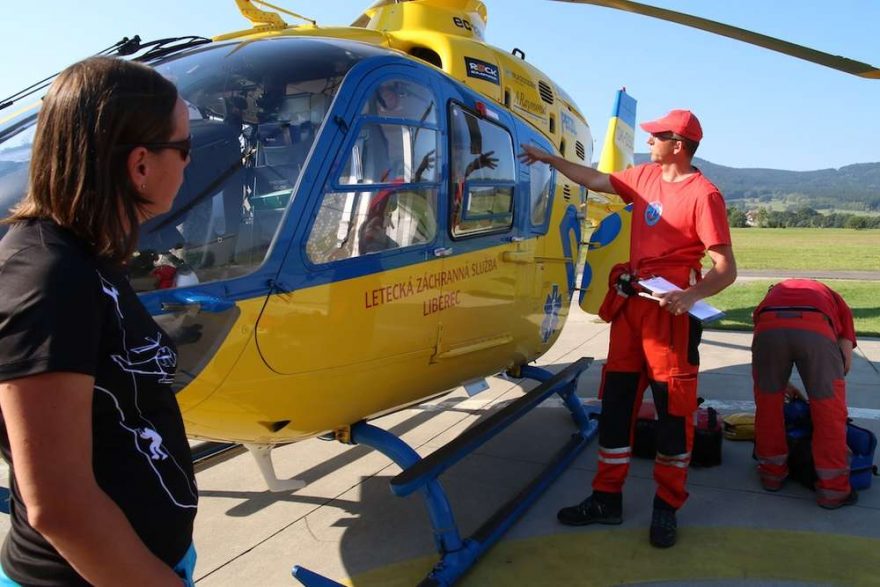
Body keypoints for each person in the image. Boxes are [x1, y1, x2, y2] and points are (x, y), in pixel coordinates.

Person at [0, 57, 198, 585]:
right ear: (140, 165)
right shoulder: (47, 276)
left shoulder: (83, 256)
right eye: (184, 148)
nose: (188, 164)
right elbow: (59, 504)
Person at [519, 109, 737, 548]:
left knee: (674, 413)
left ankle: (666, 507)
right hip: (630, 308)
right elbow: (596, 180)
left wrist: (691, 297)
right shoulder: (643, 177)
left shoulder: (704, 194)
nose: (649, 140)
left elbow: (725, 267)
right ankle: (606, 499)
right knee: (616, 405)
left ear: (679, 144)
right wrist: (550, 159)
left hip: (671, 315)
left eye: (657, 136)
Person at [751, 279, 858, 508]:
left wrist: (783, 382)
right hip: (815, 326)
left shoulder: (770, 297)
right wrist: (822, 383)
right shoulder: (834, 299)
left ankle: (772, 474)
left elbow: (762, 345)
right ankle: (834, 490)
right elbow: (845, 363)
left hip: (769, 328)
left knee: (768, 405)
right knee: (829, 410)